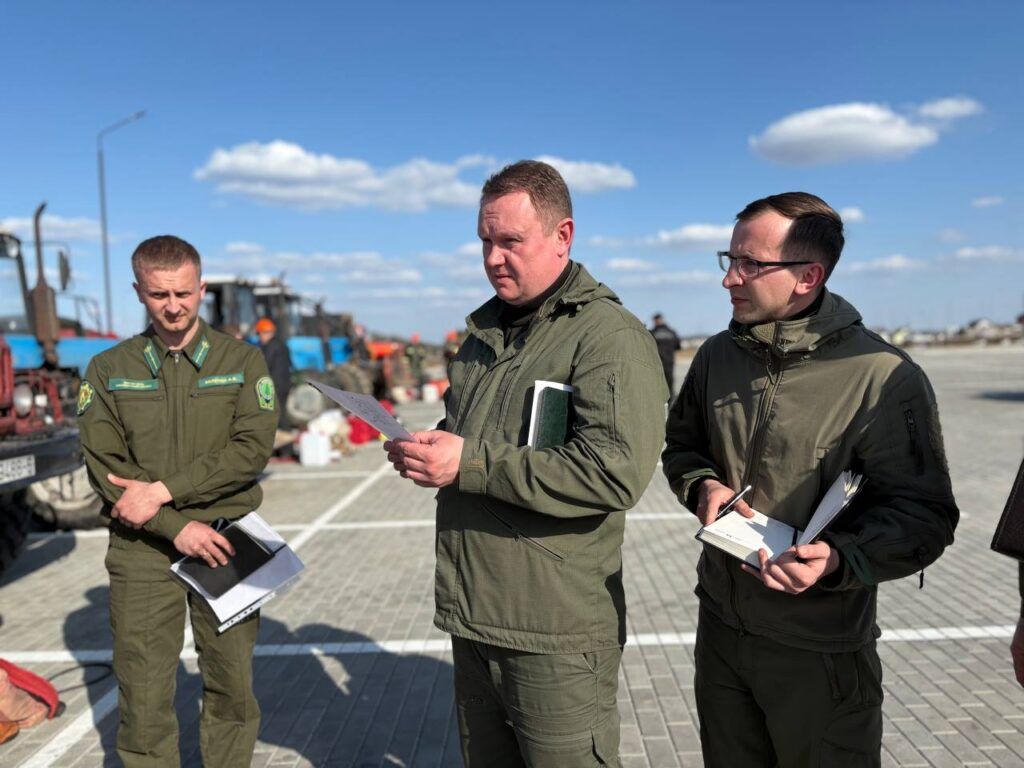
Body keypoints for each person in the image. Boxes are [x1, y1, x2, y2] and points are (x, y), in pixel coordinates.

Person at [385, 160, 667, 766]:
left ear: (563, 236)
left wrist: (467, 463)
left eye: (510, 241)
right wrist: (433, 449)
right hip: (475, 615)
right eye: (485, 241)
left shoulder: (608, 337)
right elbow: (477, 438)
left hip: (554, 630)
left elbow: (614, 471)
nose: (493, 258)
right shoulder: (482, 335)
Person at [662, 192, 959, 767]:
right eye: (729, 259)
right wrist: (702, 486)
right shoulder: (717, 356)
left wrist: (839, 559)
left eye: (750, 264)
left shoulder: (884, 377)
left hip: (820, 651)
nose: (730, 279)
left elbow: (925, 517)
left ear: (808, 277)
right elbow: (683, 447)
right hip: (721, 632)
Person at [79, 235, 278, 767]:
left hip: (228, 539)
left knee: (232, 686)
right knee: (143, 695)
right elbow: (106, 469)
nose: (173, 306)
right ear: (138, 292)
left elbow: (250, 451)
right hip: (142, 548)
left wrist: (164, 492)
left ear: (201, 288)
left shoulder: (243, 361)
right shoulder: (108, 368)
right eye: (159, 294)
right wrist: (175, 526)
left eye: (184, 293)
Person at [256, 316, 293, 429]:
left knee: (277, 413)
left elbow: (265, 365)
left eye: (260, 334)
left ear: (266, 333)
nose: (259, 337)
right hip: (284, 383)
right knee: (281, 411)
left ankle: (284, 436)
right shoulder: (282, 344)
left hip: (276, 385)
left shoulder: (271, 347)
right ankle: (285, 433)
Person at [649, 312, 681, 397]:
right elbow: (678, 346)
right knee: (669, 382)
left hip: (656, 362)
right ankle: (671, 399)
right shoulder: (671, 332)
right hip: (669, 361)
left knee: (657, 383)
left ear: (655, 321)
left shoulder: (651, 333)